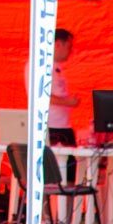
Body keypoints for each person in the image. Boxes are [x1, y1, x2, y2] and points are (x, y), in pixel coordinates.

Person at [48, 28, 80, 182]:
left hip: (64, 126)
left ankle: (66, 199)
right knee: (52, 174)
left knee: (71, 174)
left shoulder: (57, 68)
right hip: (51, 127)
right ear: (58, 44)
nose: (70, 51)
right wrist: (67, 102)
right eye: (69, 47)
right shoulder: (39, 66)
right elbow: (41, 96)